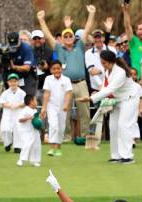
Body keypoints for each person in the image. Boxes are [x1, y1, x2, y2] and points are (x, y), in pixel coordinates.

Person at [37, 6, 95, 141]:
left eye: (70, 36)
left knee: (85, 111)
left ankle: (87, 135)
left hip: (81, 82)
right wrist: (41, 20)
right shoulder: (59, 47)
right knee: (65, 111)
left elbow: (87, 29)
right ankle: (66, 136)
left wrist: (91, 14)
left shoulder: (79, 45)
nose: (68, 38)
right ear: (62, 39)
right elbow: (48, 35)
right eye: (65, 36)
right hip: (65, 84)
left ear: (74, 37)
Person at [76, 50, 138, 164]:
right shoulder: (107, 70)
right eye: (102, 62)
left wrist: (91, 99)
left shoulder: (120, 72)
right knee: (113, 126)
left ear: (111, 62)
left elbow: (110, 89)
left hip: (129, 99)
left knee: (123, 125)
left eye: (104, 63)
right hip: (116, 99)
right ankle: (116, 155)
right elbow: (105, 87)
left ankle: (127, 156)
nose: (102, 65)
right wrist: (95, 94)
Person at [40, 60, 72, 157]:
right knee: (53, 126)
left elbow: (68, 93)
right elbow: (46, 94)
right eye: (54, 69)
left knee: (61, 127)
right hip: (51, 106)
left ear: (61, 68)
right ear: (51, 70)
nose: (57, 70)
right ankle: (51, 148)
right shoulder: (48, 79)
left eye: (58, 68)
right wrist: (44, 108)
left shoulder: (66, 79)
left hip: (62, 107)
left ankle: (58, 148)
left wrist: (66, 105)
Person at [122, 2, 142, 80]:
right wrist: (125, 11)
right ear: (137, 32)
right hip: (136, 78)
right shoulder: (133, 42)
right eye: (140, 29)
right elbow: (127, 26)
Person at [0, 73, 26, 151]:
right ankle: (8, 143)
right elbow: (1, 103)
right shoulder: (5, 93)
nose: (13, 83)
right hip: (8, 114)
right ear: (8, 82)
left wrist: (17, 105)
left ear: (18, 82)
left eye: (15, 81)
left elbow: (25, 103)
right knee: (5, 129)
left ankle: (17, 146)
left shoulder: (22, 93)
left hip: (18, 113)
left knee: (18, 129)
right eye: (11, 81)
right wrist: (9, 105)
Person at [6, 31, 37, 96]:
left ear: (19, 40)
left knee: (27, 97)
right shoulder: (7, 48)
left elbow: (27, 68)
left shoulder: (26, 48)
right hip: (13, 77)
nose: (14, 47)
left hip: (27, 76)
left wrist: (14, 67)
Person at [16, 94, 41, 167]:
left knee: (36, 145)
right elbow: (20, 119)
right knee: (27, 144)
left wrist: (40, 118)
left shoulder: (35, 110)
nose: (37, 102)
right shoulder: (25, 110)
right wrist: (29, 118)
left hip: (34, 130)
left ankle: (34, 161)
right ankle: (21, 160)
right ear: (31, 102)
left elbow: (37, 120)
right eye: (35, 100)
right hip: (26, 131)